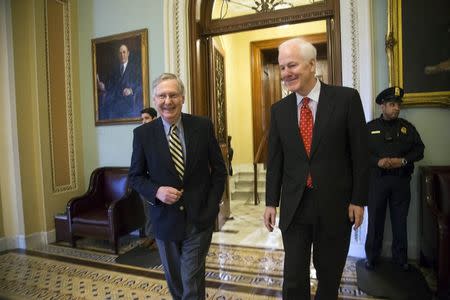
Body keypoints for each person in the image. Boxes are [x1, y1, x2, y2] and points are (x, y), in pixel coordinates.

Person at [263, 38, 369, 299]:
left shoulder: (346, 99)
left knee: (329, 276)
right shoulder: (279, 110)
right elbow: (275, 160)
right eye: (282, 67)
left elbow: (360, 154)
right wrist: (270, 202)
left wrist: (358, 199)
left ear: (312, 65)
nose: (286, 73)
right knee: (293, 278)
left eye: (292, 65)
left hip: (335, 204)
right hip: (295, 206)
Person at [128, 73, 227, 299]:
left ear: (182, 98)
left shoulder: (202, 126)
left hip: (198, 219)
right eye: (162, 96)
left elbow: (219, 171)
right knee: (176, 282)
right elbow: (135, 176)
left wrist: (212, 207)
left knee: (190, 279)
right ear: (155, 100)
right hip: (165, 220)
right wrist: (157, 191)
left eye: (173, 95)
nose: (167, 101)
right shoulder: (143, 134)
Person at [364, 86, 424, 271]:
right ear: (383, 106)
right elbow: (361, 152)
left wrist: (403, 160)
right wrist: (377, 161)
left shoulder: (407, 128)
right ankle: (372, 258)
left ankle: (401, 259)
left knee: (400, 222)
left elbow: (419, 150)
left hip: (400, 181)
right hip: (377, 182)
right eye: (392, 104)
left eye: (398, 105)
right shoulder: (370, 128)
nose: (396, 108)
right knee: (375, 221)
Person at [97, 44, 143, 120]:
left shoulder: (135, 68)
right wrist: (103, 86)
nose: (122, 55)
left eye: (124, 52)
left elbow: (140, 83)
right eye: (120, 53)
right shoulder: (114, 69)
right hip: (114, 100)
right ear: (118, 55)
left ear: (128, 53)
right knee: (105, 110)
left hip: (128, 100)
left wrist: (131, 90)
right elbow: (110, 84)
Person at [138, 107, 158, 250]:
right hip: (145, 180)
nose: (144, 121)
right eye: (142, 119)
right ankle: (150, 236)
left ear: (154, 119)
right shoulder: (140, 135)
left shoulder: (161, 134)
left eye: (146, 118)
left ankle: (159, 239)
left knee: (158, 210)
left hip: (159, 181)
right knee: (147, 210)